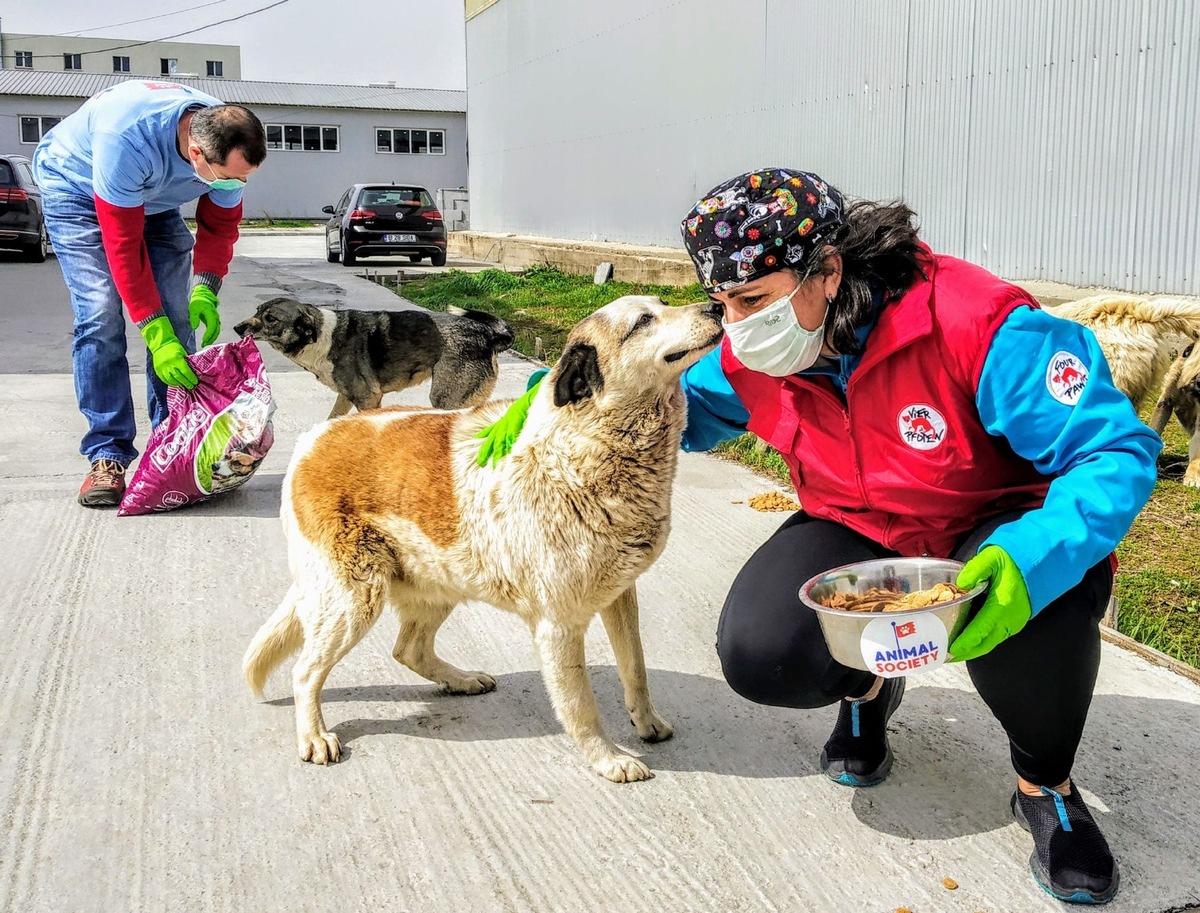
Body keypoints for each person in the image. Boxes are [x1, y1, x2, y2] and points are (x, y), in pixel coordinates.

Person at [476, 168, 1160, 906]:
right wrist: (574, 398)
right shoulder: (755, 351)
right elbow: (683, 413)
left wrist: (1032, 555)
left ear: (827, 270)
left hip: (994, 526)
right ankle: (869, 685)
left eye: (752, 300)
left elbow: (1113, 451)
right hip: (858, 525)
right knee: (762, 651)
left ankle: (1046, 786)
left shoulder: (976, 323)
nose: (732, 325)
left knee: (1037, 621)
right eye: (723, 302)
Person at [33, 79, 267, 507]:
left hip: (153, 199)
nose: (235, 185)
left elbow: (220, 224)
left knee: (177, 319)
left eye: (243, 178)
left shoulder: (223, 132)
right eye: (227, 177)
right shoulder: (125, 138)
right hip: (79, 190)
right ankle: (108, 454)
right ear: (196, 153)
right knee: (101, 314)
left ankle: (172, 444)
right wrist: (154, 337)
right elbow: (124, 248)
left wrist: (206, 290)